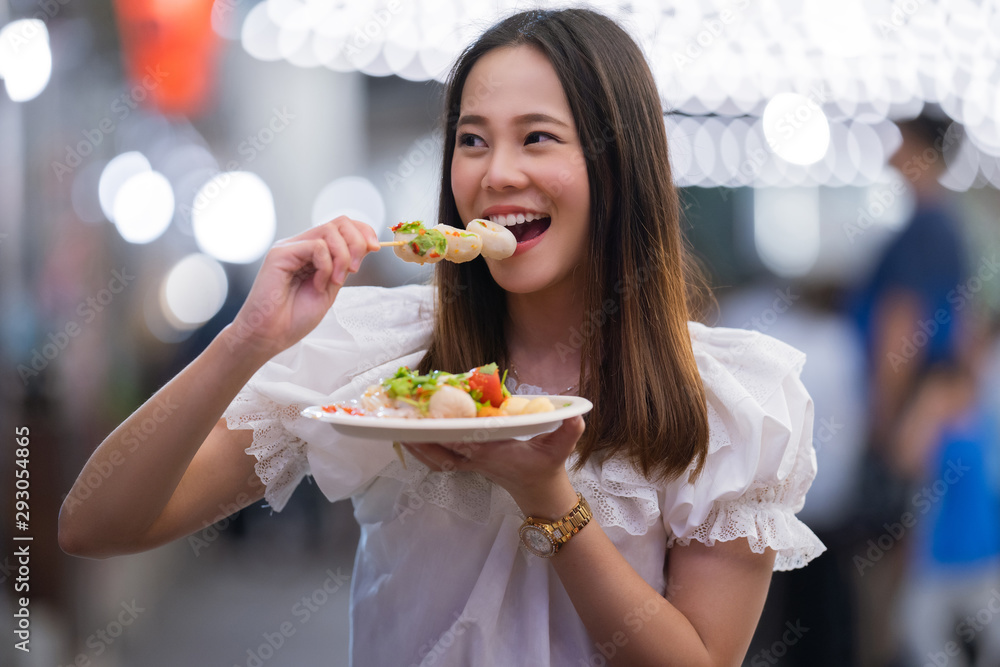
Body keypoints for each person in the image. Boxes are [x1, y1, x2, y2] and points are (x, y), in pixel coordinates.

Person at [58, 9, 823, 666]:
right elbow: (95, 524)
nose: (497, 174)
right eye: (472, 140)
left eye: (539, 138)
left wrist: (544, 493)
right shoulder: (383, 357)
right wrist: (246, 340)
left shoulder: (725, 395)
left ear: (618, 165)